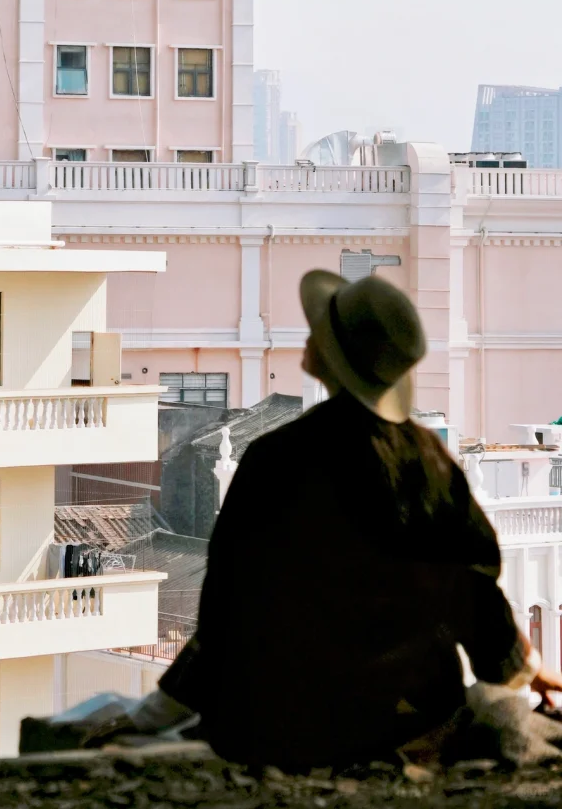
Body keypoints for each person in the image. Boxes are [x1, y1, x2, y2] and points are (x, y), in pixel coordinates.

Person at [155, 271, 562, 770]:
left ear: (332, 357)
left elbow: (227, 607)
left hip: (283, 725)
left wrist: (161, 708)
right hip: (411, 718)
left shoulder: (277, 458)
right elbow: (473, 590)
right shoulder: (429, 463)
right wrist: (521, 669)